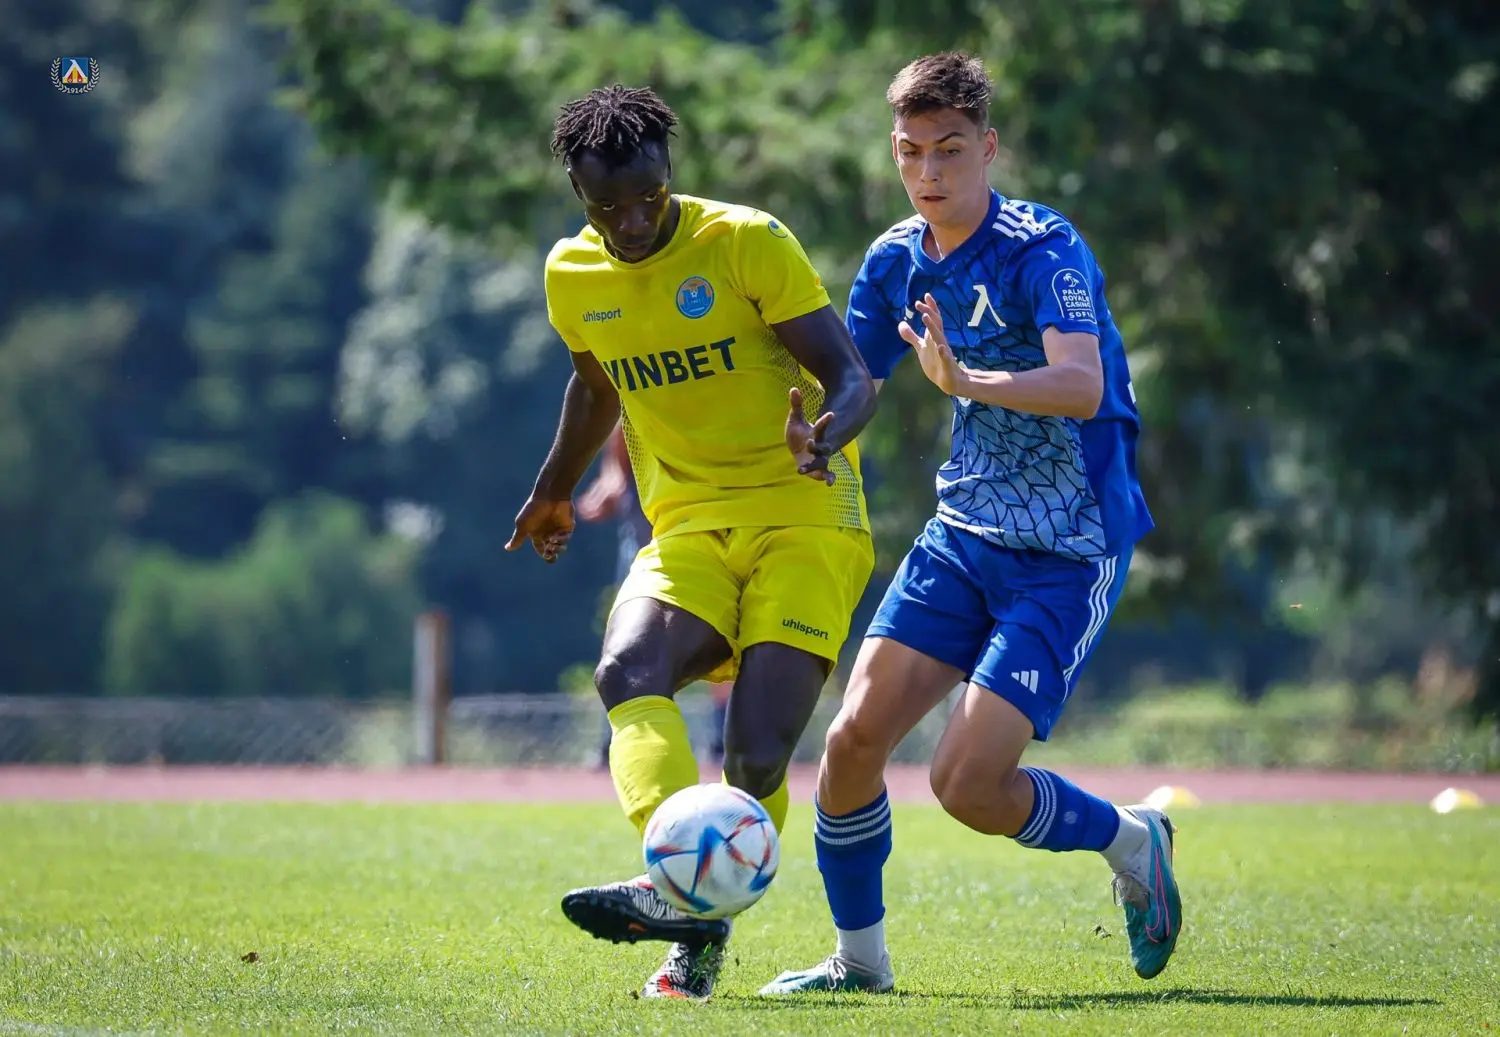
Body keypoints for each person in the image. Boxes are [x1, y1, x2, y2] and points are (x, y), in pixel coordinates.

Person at [760, 52, 1181, 996]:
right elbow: (859, 380)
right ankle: (859, 963)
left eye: (949, 149)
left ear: (988, 148)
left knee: (966, 786)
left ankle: (1131, 840)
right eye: (911, 151)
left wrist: (967, 380)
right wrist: (820, 434)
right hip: (963, 534)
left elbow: (1083, 384)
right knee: (850, 742)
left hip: (1070, 546)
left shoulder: (1043, 247)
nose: (929, 171)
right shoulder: (894, 260)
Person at [506, 84, 879, 1000]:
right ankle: (678, 899)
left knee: (754, 757)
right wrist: (552, 491)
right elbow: (596, 387)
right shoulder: (571, 273)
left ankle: (690, 926)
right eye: (610, 206)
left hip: (806, 513)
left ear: (670, 172)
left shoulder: (746, 240)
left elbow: (851, 374)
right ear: (578, 193)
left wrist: (825, 435)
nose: (634, 221)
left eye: (650, 196)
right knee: (625, 670)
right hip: (688, 524)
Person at [576, 424, 732, 769]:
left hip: (712, 530)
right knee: (626, 637)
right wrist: (613, 476)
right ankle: (617, 741)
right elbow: (624, 422)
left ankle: (724, 741)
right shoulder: (645, 399)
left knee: (726, 629)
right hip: (647, 537)